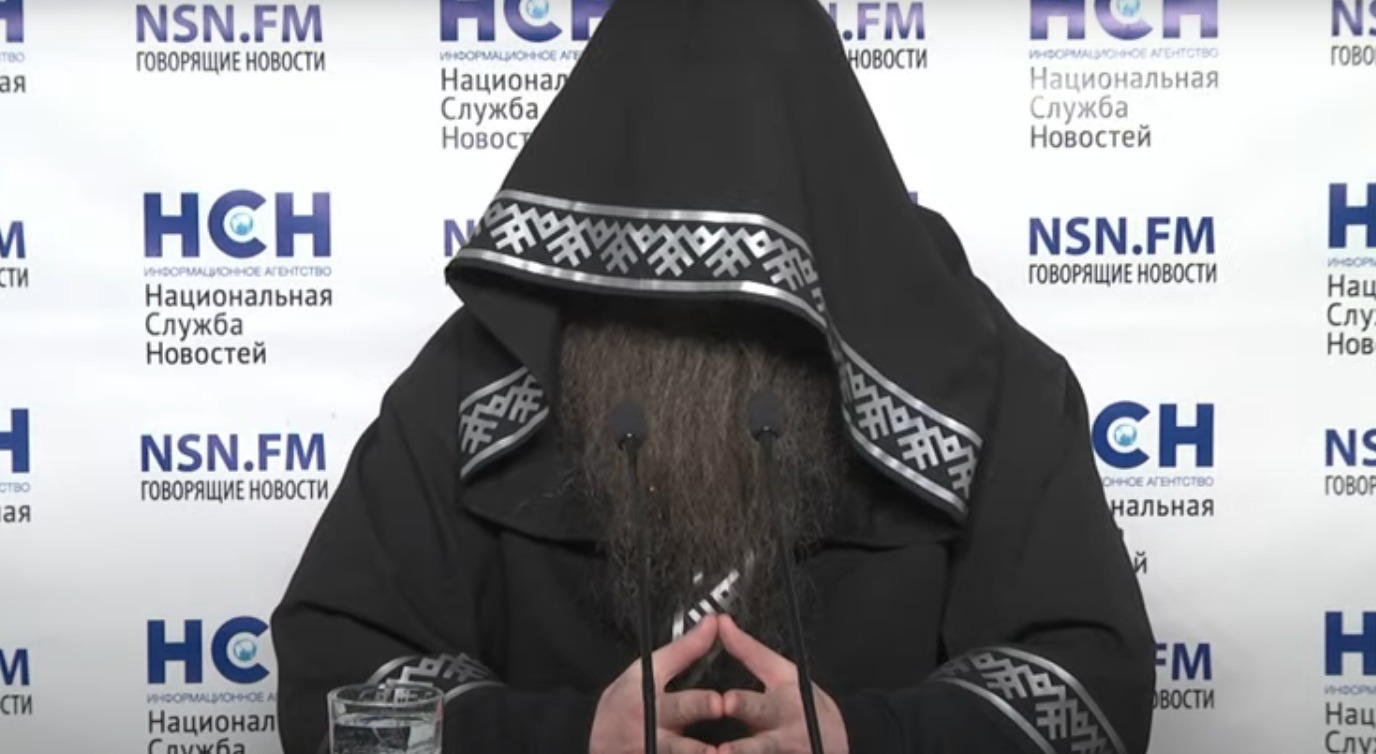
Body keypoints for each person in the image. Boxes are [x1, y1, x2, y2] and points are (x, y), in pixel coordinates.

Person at [269, 0, 1157, 751]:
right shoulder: (486, 378)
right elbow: (338, 681)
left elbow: (1089, 681)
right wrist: (568, 739)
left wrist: (870, 738)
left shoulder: (968, 370)